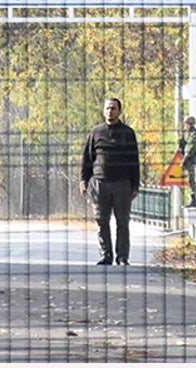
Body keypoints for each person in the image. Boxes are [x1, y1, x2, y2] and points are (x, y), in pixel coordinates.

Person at [79, 96, 141, 266]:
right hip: (100, 184)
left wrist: (135, 184)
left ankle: (122, 257)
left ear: (119, 111)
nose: (110, 111)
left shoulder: (128, 133)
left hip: (122, 184)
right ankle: (106, 255)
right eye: (107, 108)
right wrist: (83, 180)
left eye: (113, 108)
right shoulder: (96, 132)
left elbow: (134, 160)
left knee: (123, 222)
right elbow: (87, 158)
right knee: (102, 221)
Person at [179, 116, 196, 208]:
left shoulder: (194, 134)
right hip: (187, 159)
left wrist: (185, 159)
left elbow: (191, 148)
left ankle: (194, 199)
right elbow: (183, 144)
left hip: (190, 159)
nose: (186, 126)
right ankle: (191, 198)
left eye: (187, 124)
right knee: (188, 180)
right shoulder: (187, 133)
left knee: (191, 179)